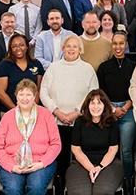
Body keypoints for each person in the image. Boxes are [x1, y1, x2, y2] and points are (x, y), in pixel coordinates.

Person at [66, 89, 124, 195]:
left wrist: (99, 167)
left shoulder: (112, 123)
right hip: (82, 162)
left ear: (105, 105)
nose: (96, 107)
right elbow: (76, 149)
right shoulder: (79, 122)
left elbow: (113, 150)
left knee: (103, 193)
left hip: (108, 163)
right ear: (87, 105)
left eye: (100, 103)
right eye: (93, 103)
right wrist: (90, 167)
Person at [40, 34, 99, 177]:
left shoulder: (87, 69)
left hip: (81, 122)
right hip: (56, 122)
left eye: (75, 46)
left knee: (79, 160)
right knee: (61, 160)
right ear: (62, 48)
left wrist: (76, 112)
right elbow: (43, 92)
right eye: (68, 46)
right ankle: (60, 193)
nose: (71, 49)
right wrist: (57, 112)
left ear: (80, 49)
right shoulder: (53, 68)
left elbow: (93, 94)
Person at [97, 32, 135, 179]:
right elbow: (100, 92)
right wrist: (112, 109)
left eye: (121, 43)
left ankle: (126, 183)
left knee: (126, 151)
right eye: (115, 43)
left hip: (128, 110)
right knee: (107, 150)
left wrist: (124, 108)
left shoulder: (133, 66)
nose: (117, 47)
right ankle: (110, 182)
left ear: (125, 45)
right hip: (107, 110)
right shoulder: (104, 67)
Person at [0, 32, 44, 113]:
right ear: (10, 49)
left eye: (21, 45)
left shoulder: (36, 64)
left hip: (33, 112)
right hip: (9, 111)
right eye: (14, 46)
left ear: (27, 46)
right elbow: (0, 93)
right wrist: (17, 110)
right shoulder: (4, 65)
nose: (18, 48)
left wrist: (30, 109)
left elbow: (39, 89)